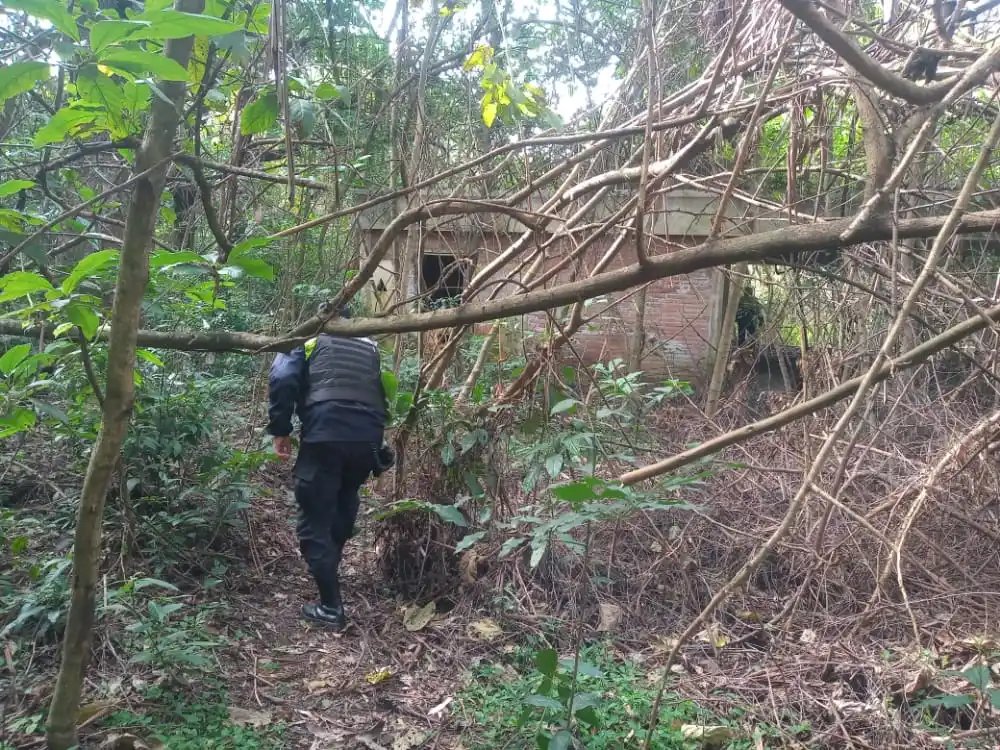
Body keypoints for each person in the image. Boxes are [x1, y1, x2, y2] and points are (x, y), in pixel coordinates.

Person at [267, 305, 389, 630]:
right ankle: (329, 569)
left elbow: (282, 377)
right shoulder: (368, 344)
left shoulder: (309, 337)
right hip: (368, 438)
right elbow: (377, 392)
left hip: (326, 433)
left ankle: (331, 607)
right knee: (345, 500)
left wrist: (280, 429)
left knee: (315, 516)